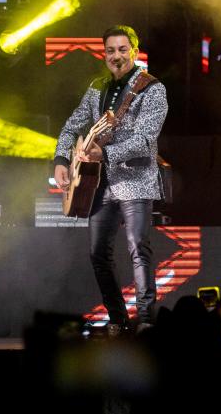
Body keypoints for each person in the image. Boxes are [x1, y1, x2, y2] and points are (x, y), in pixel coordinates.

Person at [53, 25, 168, 334]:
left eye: (122, 49)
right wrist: (62, 160)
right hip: (100, 185)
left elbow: (145, 140)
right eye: (110, 50)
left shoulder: (152, 89)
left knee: (137, 248)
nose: (116, 55)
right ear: (104, 54)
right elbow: (70, 126)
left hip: (137, 181)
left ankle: (145, 319)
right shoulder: (97, 88)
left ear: (133, 50)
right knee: (97, 254)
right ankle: (119, 320)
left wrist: (103, 155)